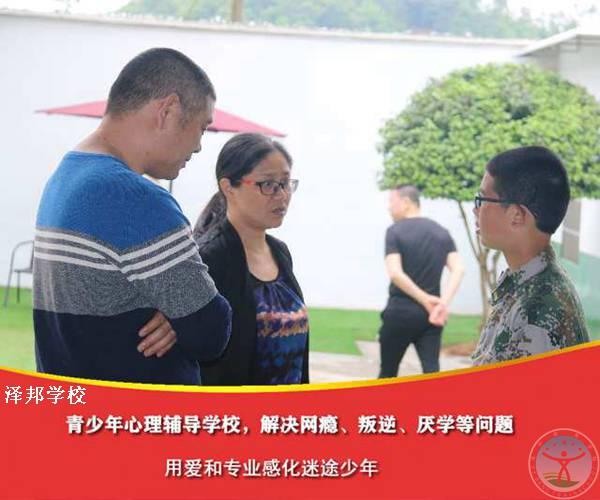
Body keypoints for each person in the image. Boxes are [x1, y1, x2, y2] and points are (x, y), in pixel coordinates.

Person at [33, 48, 232, 384]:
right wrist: (183, 316)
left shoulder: (65, 177)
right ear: (168, 111)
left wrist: (180, 315)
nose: (199, 146)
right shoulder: (135, 198)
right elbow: (210, 331)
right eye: (202, 127)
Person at [192, 133, 309, 385]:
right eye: (268, 184)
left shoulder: (280, 252)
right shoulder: (208, 258)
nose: (282, 195)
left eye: (285, 183)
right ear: (228, 187)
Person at [472, 146, 589, 365]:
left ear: (516, 215)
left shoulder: (538, 310)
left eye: (482, 199)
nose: (475, 209)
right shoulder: (526, 283)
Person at [379, 185, 464, 377]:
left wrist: (425, 299)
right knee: (431, 373)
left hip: (400, 313)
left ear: (406, 203)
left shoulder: (394, 231)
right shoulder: (442, 232)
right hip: (432, 316)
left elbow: (395, 273)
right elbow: (459, 269)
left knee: (387, 374)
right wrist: (442, 304)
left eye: (391, 202)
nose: (389, 207)